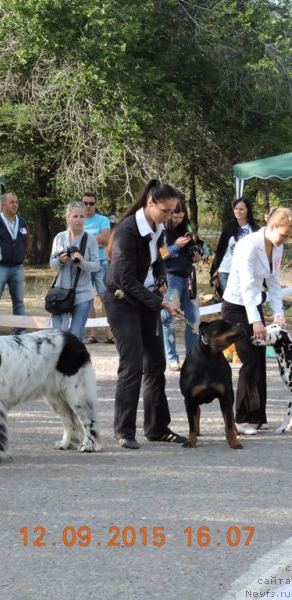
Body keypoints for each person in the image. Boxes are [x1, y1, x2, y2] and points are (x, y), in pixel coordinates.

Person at [104, 179, 186, 450]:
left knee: (156, 363)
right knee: (132, 365)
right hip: (122, 301)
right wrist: (161, 303)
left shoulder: (159, 228)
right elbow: (124, 279)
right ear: (150, 203)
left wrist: (161, 278)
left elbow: (159, 259)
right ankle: (125, 431)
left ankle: (157, 428)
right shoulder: (127, 231)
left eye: (173, 212)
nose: (169, 217)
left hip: (146, 300)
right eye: (165, 211)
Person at [221, 207, 292, 435]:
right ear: (272, 227)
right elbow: (247, 285)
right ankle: (240, 418)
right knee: (249, 360)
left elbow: (273, 281)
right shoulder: (247, 245)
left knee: (260, 360)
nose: (286, 240)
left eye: (289, 237)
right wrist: (255, 321)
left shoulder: (277, 248)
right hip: (235, 306)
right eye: (284, 235)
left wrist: (278, 312)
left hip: (253, 304)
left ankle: (257, 416)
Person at [49, 201, 99, 341]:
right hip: (61, 292)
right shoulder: (59, 238)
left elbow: (96, 266)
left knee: (76, 336)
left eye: (82, 216)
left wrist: (82, 262)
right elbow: (52, 264)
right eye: (75, 216)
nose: (79, 220)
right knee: (58, 336)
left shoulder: (90, 239)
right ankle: (60, 363)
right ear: (67, 218)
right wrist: (60, 260)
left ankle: (76, 363)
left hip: (83, 293)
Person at [160, 200, 201, 371]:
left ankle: (192, 357)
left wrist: (197, 253)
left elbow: (194, 244)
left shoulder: (187, 226)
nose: (178, 220)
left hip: (188, 275)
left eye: (181, 217)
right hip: (171, 276)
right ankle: (171, 357)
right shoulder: (161, 228)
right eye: (175, 216)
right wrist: (175, 246)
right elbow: (161, 255)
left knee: (193, 317)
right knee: (169, 318)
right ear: (169, 214)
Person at [0, 191, 29, 334]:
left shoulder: (22, 222)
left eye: (16, 202)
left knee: (19, 302)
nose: (15, 205)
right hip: (0, 267)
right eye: (12, 202)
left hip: (17, 267)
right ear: (3, 205)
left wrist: (21, 255)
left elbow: (26, 242)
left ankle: (20, 330)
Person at [210, 197, 260, 297]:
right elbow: (220, 251)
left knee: (245, 302)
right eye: (236, 209)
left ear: (248, 211)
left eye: (241, 209)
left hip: (247, 272)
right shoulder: (228, 228)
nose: (238, 211)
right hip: (226, 271)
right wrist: (214, 273)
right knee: (229, 304)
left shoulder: (255, 230)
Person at [82, 192, 113, 344]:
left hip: (101, 262)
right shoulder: (78, 219)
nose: (88, 206)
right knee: (88, 298)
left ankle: (109, 333)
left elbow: (105, 238)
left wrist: (85, 241)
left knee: (105, 297)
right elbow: (75, 240)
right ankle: (92, 334)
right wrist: (96, 240)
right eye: (85, 203)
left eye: (91, 203)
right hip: (83, 265)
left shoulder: (103, 220)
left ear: (96, 204)